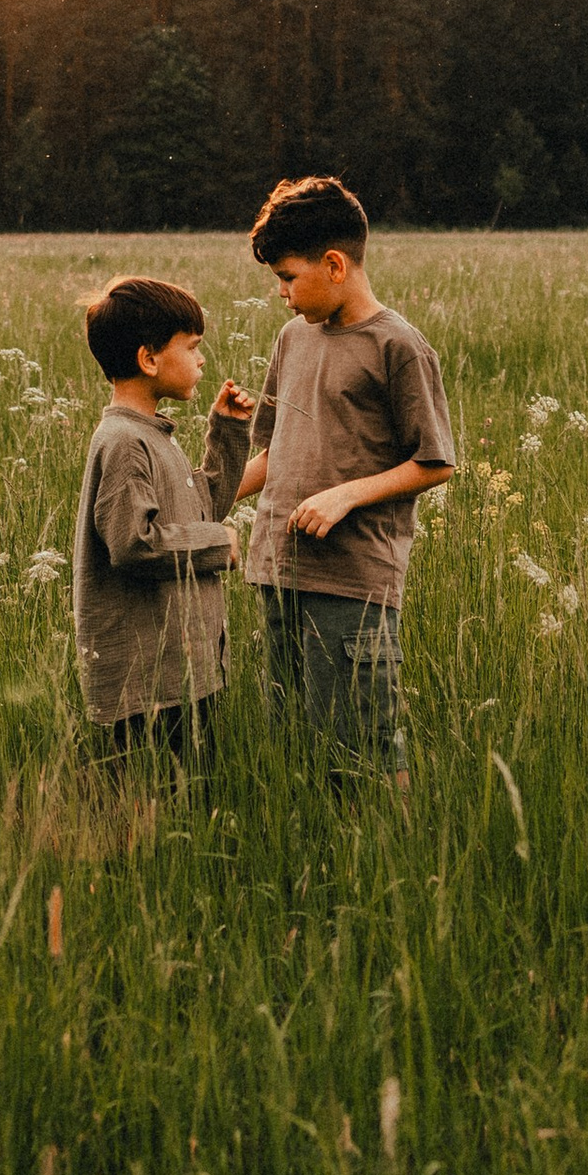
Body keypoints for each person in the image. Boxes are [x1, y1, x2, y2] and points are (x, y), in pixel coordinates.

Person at [221, 175, 455, 781]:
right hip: (277, 570)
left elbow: (436, 461)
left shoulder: (398, 346)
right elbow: (271, 455)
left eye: (287, 277)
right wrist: (205, 501)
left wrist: (346, 495)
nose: (281, 294)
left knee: (364, 753)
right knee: (292, 748)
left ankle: (388, 860)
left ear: (333, 265)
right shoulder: (291, 339)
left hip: (352, 585)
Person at [70, 273, 253, 767]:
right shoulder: (124, 442)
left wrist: (228, 433)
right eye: (191, 348)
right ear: (148, 359)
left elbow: (200, 510)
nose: (201, 360)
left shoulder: (152, 435)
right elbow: (134, 543)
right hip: (148, 683)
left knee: (187, 805)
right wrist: (220, 543)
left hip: (179, 674)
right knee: (153, 805)